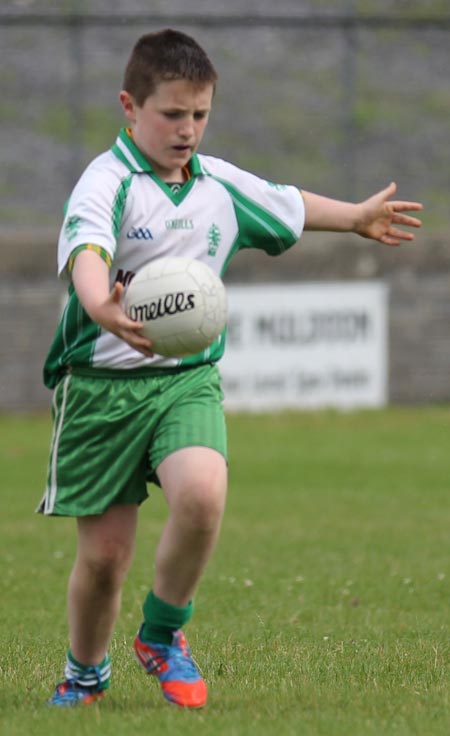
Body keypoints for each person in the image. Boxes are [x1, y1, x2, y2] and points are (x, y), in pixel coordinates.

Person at [38, 28, 423, 709]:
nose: (187, 130)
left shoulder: (218, 185)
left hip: (186, 379)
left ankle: (162, 634)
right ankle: (86, 671)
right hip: (99, 387)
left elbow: (291, 203)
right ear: (130, 106)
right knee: (102, 562)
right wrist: (103, 307)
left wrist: (357, 216)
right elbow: (87, 255)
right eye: (171, 114)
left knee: (203, 495)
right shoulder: (106, 182)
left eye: (199, 115)